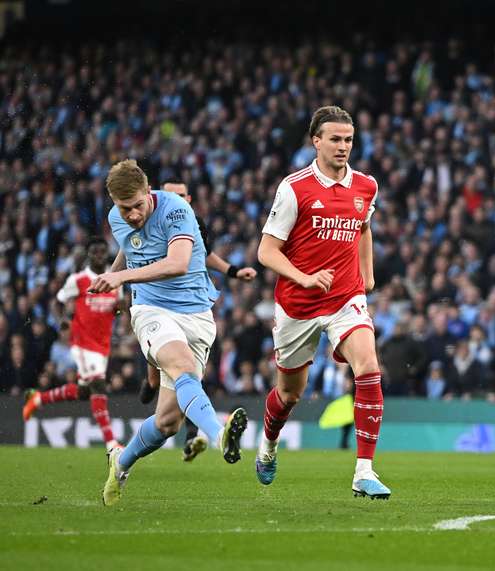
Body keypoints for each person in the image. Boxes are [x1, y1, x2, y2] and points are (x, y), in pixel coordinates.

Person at [93, 159, 248, 506]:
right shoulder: (117, 218)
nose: (131, 215)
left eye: (136, 206)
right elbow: (128, 247)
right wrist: (115, 282)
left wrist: (120, 278)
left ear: (149, 192)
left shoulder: (177, 210)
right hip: (150, 310)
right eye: (123, 208)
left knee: (167, 423)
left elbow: (178, 264)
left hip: (195, 314)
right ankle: (220, 434)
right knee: (181, 366)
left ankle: (121, 461)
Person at [255, 105, 390, 499]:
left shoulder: (367, 186)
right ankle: (268, 446)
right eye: (334, 139)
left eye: (348, 139)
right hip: (298, 304)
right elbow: (266, 250)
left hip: (346, 297)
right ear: (316, 142)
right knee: (289, 394)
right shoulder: (294, 188)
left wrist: (366, 273)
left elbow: (364, 226)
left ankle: (364, 470)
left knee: (368, 366)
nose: (343, 146)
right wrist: (304, 277)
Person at [137, 182, 257, 462]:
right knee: (174, 366)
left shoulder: (194, 224)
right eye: (170, 195)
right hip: (159, 305)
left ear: (189, 199)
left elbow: (206, 255)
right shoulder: (150, 222)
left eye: (180, 196)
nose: (175, 200)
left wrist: (233, 271)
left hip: (192, 309)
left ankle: (194, 433)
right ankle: (153, 381)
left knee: (189, 372)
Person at [21, 236, 122, 452]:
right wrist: (63, 322)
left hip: (103, 345)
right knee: (99, 386)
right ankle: (112, 444)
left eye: (102, 251)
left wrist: (121, 308)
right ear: (88, 254)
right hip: (83, 343)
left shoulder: (115, 280)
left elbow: (116, 309)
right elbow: (57, 301)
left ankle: (38, 399)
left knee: (84, 392)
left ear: (106, 254)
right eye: (94, 251)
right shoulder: (78, 280)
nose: (98, 255)